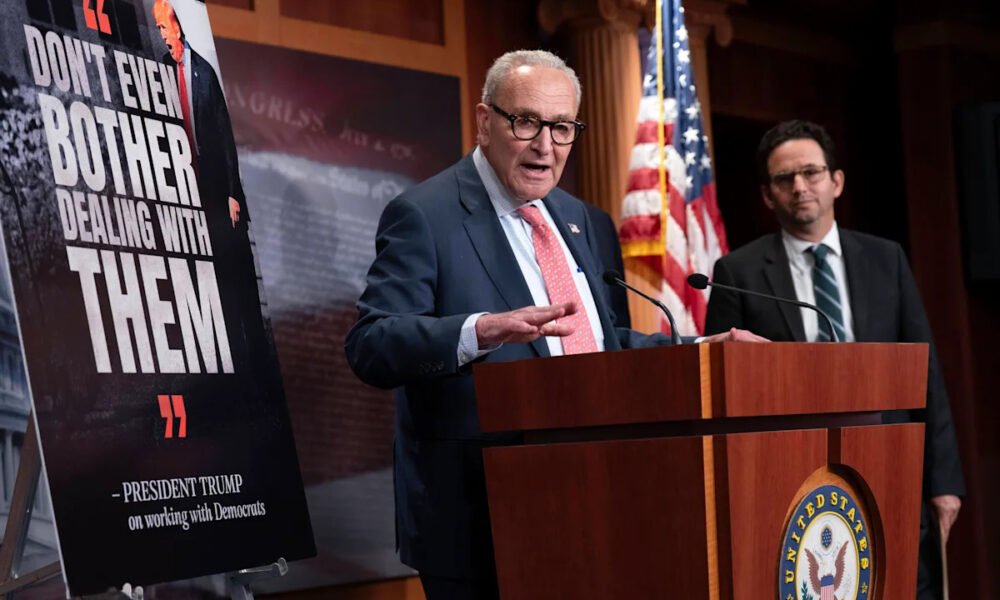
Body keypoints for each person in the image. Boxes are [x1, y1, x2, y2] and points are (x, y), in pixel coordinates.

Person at [345, 50, 763, 599]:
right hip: (478, 518)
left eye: (562, 127)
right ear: (485, 121)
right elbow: (371, 344)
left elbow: (604, 347)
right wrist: (478, 331)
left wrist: (703, 347)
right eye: (526, 122)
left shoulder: (583, 220)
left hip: (593, 500)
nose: (546, 145)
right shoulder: (425, 214)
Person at [704, 119, 965, 600]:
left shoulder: (886, 259)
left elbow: (924, 374)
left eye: (811, 173)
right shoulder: (737, 272)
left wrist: (943, 481)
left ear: (836, 181)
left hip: (892, 466)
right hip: (791, 482)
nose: (800, 187)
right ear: (767, 195)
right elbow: (723, 390)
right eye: (785, 178)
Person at [153, 0, 272, 375]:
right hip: (188, 190)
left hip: (220, 192)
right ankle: (231, 361)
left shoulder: (203, 72)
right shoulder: (160, 69)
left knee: (239, 275)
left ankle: (256, 359)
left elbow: (225, 137)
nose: (161, 36)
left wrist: (234, 193)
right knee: (213, 279)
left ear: (177, 28)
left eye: (163, 28)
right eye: (157, 29)